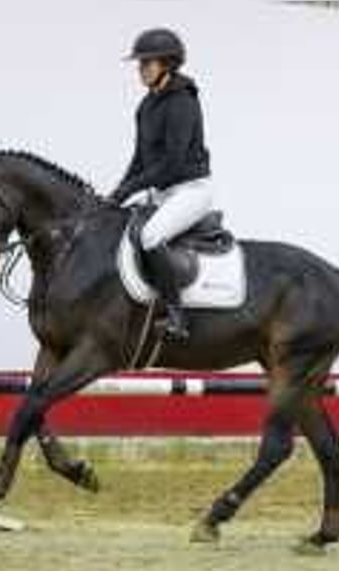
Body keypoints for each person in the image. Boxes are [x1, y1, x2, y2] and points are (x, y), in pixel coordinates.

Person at [109, 28, 212, 341]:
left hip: (191, 190)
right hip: (162, 192)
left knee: (151, 237)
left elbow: (173, 163)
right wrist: (116, 193)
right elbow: (140, 158)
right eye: (140, 64)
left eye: (147, 63)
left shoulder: (183, 102)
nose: (141, 69)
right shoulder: (146, 106)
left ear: (167, 64)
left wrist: (131, 190)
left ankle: (177, 315)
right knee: (124, 229)